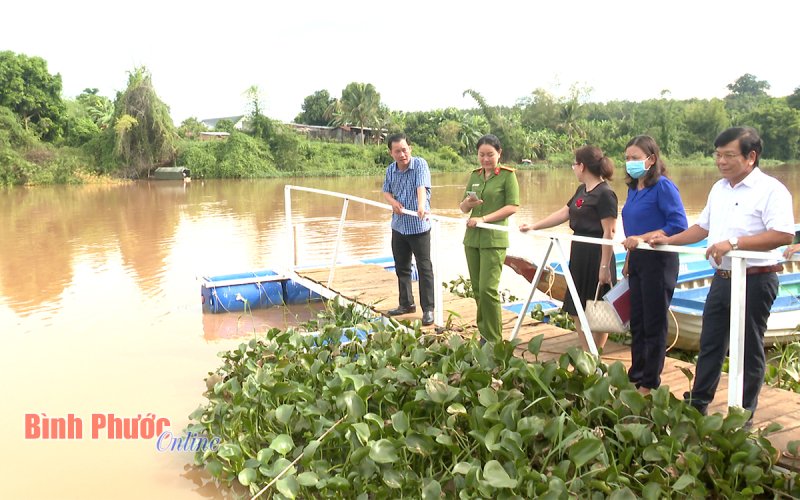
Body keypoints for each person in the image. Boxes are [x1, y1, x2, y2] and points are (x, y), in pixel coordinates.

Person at [649, 127, 794, 421]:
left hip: (756, 278)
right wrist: (668, 239)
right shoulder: (719, 188)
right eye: (718, 155)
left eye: (729, 155)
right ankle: (698, 403)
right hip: (723, 279)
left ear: (751, 157)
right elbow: (702, 228)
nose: (721, 161)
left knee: (749, 347)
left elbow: (783, 235)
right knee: (711, 342)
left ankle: (743, 414)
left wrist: (735, 243)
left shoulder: (771, 190)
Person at [519, 145, 618, 352]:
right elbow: (564, 213)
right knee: (576, 307)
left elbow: (610, 233)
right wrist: (534, 226)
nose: (573, 168)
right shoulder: (581, 191)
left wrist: (604, 267)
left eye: (574, 164)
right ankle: (586, 350)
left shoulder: (606, 194)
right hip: (579, 252)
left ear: (582, 166)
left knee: (599, 309)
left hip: (598, 254)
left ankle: (595, 354)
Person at [620, 135, 688, 394]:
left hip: (659, 261)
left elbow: (678, 224)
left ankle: (650, 382)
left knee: (654, 322)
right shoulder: (633, 189)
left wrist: (644, 238)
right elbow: (631, 231)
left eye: (635, 158)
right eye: (627, 158)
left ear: (651, 159)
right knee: (636, 320)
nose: (630, 162)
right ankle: (636, 374)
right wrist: (629, 257)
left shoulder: (663, 186)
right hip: (637, 260)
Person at [460, 134, 519, 342]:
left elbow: (512, 206)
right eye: (482, 155)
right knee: (477, 289)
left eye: (490, 155)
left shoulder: (507, 175)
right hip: (472, 239)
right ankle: (484, 334)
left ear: (499, 153)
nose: (486, 159)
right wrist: (468, 204)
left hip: (494, 239)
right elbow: (462, 207)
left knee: (488, 290)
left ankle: (494, 340)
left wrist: (484, 218)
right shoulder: (475, 175)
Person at [382, 133, 435, 326]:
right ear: (391, 153)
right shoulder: (390, 170)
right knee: (402, 267)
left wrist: (421, 206)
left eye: (404, 150)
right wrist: (393, 202)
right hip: (399, 226)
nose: (402, 154)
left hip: (418, 225)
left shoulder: (419, 164)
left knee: (424, 267)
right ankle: (406, 304)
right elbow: (386, 191)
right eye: (398, 151)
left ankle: (428, 309)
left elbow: (421, 186)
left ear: (410, 149)